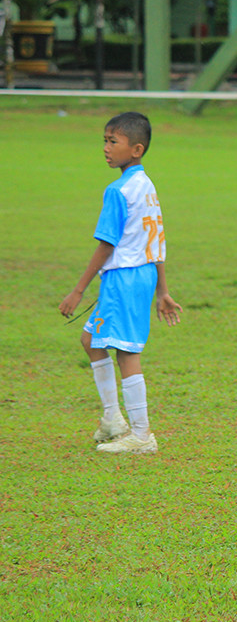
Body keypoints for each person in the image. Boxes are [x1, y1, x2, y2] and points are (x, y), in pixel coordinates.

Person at [58, 112, 182, 454]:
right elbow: (156, 241)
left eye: (113, 142)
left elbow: (107, 244)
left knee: (126, 352)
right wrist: (163, 290)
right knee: (91, 340)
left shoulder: (118, 190)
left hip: (124, 278)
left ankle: (141, 436)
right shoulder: (147, 185)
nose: (106, 148)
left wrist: (78, 289)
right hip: (140, 276)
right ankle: (113, 418)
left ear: (137, 149)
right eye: (104, 140)